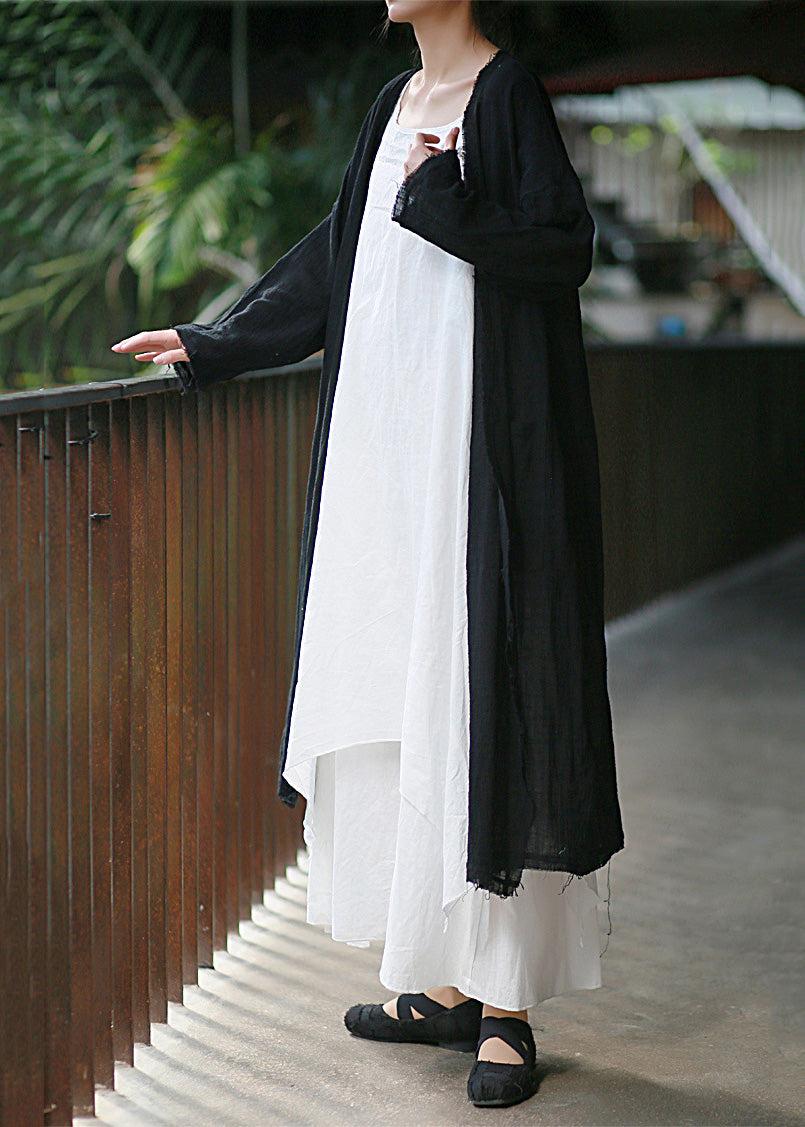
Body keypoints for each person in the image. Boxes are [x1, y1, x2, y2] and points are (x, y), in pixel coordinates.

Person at [112, 0, 625, 1110]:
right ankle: (438, 983)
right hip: (386, 466)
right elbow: (339, 259)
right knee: (404, 698)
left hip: (475, 460)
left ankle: (506, 1007)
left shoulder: (507, 95)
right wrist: (213, 340)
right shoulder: (395, 103)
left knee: (482, 702)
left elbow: (560, 250)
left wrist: (444, 202)